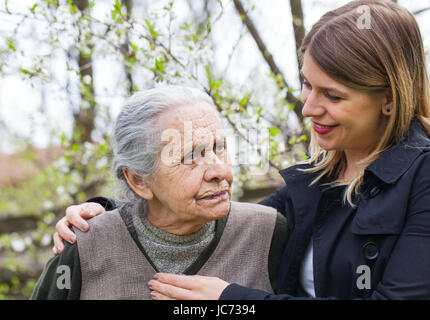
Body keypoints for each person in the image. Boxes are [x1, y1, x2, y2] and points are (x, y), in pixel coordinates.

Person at [52, 0, 430, 300]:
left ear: (389, 99)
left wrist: (233, 300)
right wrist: (110, 214)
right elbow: (218, 218)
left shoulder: (422, 178)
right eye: (307, 85)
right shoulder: (320, 179)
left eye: (332, 95)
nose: (308, 107)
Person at [30, 86, 288, 299]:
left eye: (219, 147)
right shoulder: (83, 246)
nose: (218, 169)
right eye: (190, 156)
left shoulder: (268, 233)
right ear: (139, 180)